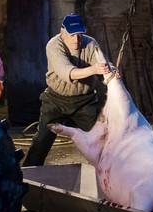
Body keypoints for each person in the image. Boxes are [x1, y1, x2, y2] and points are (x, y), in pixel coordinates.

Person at [22, 13, 111, 166]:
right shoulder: (53, 45)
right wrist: (94, 70)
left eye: (79, 35)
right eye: (72, 35)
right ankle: (29, 176)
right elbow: (67, 72)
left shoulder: (91, 44)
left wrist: (111, 71)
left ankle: (108, 174)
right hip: (56, 99)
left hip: (85, 100)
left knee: (99, 139)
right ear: (62, 32)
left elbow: (103, 67)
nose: (76, 40)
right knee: (41, 140)